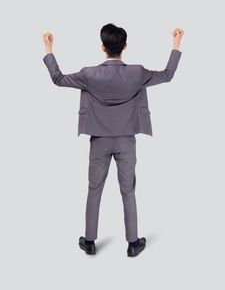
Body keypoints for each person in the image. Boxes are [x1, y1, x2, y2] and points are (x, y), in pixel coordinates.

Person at [42, 23, 184, 257]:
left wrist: (49, 48)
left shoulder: (89, 74)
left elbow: (58, 79)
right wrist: (176, 44)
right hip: (126, 141)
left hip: (99, 141)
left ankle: (89, 241)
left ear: (102, 47)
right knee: (128, 191)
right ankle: (132, 243)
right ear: (125, 46)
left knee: (93, 189)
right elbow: (167, 75)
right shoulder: (137, 73)